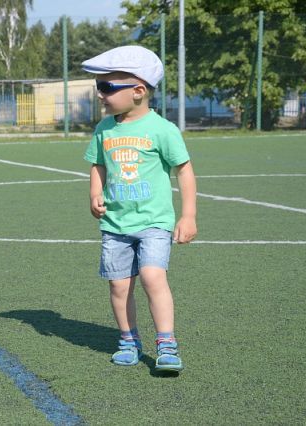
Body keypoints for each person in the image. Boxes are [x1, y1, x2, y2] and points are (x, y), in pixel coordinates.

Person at [81, 45, 197, 372]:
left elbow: (184, 171)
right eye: (98, 87)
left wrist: (188, 215)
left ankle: (166, 343)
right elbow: (97, 164)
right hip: (115, 224)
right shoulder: (104, 129)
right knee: (119, 285)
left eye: (107, 87)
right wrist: (95, 193)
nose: (100, 94)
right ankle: (128, 340)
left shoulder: (163, 130)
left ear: (138, 91)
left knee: (152, 276)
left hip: (154, 221)